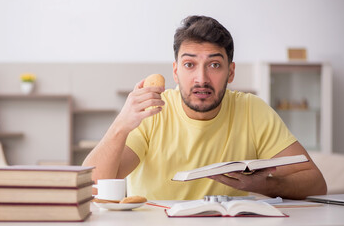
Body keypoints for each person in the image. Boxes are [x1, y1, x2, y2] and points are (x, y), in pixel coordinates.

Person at [83, 15, 327, 200]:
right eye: (190, 64)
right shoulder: (152, 112)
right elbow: (90, 185)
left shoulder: (253, 110)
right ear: (176, 71)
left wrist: (262, 185)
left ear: (230, 72)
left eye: (214, 65)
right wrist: (120, 125)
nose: (201, 79)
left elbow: (316, 183)